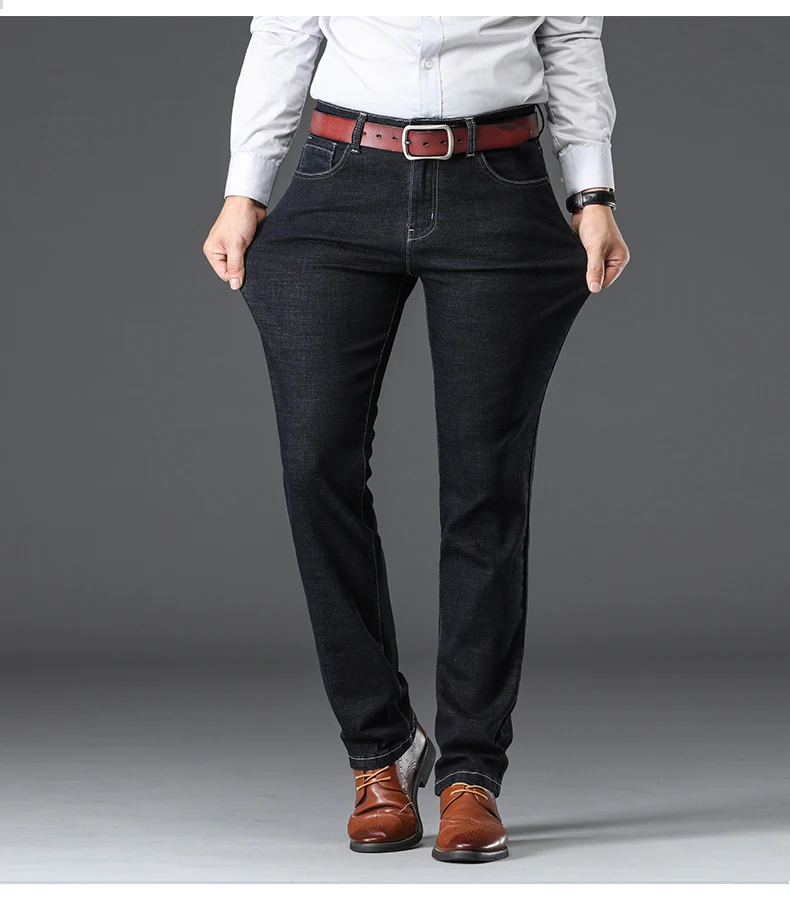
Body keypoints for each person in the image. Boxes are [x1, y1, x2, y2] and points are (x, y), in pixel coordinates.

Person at [203, 16, 630, 864]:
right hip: (339, 178)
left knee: (486, 485)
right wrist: (245, 188)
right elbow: (285, 31)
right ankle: (381, 747)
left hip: (498, 182)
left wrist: (593, 195)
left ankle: (471, 772)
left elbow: (570, 40)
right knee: (313, 463)